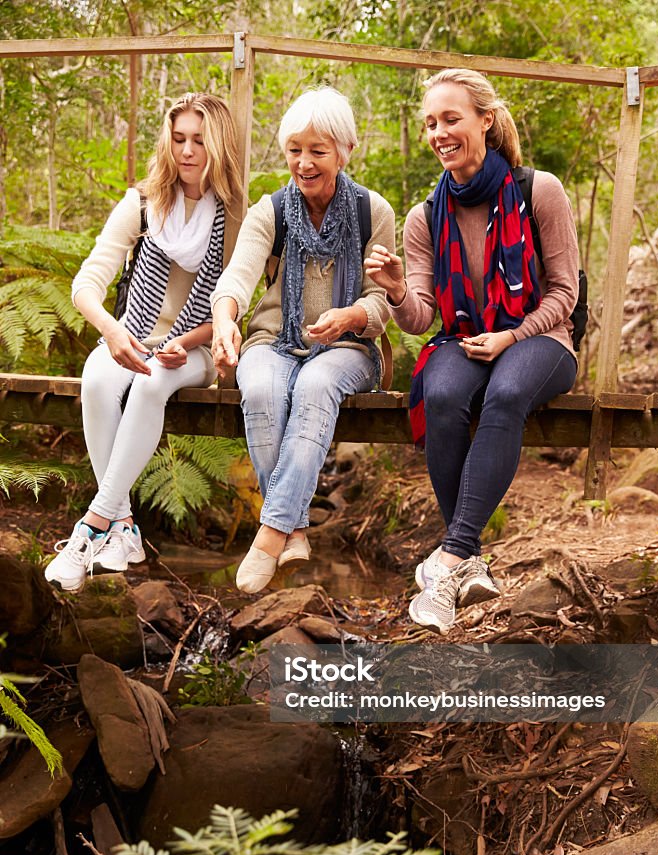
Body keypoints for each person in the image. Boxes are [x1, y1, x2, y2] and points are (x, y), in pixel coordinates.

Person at [365, 69, 579, 633]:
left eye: (451, 119)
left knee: (507, 392)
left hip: (542, 339)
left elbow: (565, 291)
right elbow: (420, 318)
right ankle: (470, 560)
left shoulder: (540, 191)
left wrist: (512, 335)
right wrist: (392, 289)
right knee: (439, 392)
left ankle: (450, 556)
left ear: (486, 119)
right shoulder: (424, 217)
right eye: (431, 123)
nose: (439, 133)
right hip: (465, 336)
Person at [45, 93, 241, 593]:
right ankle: (125, 527)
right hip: (132, 335)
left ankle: (90, 527)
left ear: (217, 145)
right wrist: (112, 333)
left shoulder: (235, 217)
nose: (188, 151)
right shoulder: (141, 204)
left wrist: (188, 342)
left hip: (193, 351)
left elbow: (237, 302)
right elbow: (85, 285)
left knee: (152, 383)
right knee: (95, 378)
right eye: (178, 139)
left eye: (200, 140)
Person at [211, 87, 395, 594]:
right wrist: (226, 319)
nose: (304, 162)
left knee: (314, 386)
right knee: (263, 390)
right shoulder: (270, 212)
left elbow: (382, 304)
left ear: (345, 150)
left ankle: (270, 534)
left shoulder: (371, 213)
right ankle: (293, 529)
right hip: (275, 339)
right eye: (295, 149)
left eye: (318, 150)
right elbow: (237, 279)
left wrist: (350, 315)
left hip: (349, 350)